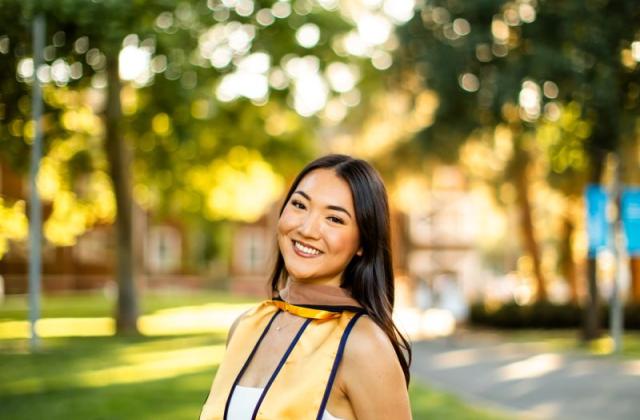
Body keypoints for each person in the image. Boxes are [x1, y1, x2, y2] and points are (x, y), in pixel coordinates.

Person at [200, 154, 412, 420]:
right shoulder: (246, 325)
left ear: (362, 243)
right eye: (300, 205)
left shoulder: (364, 344)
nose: (308, 229)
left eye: (334, 219)